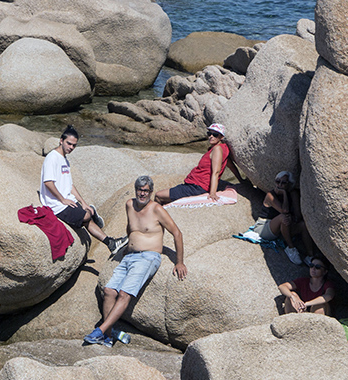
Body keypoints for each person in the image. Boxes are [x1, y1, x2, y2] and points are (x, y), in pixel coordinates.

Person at [84, 176, 187, 347]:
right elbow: (130, 227)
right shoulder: (129, 205)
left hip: (148, 257)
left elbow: (177, 233)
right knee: (109, 291)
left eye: (146, 190)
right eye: (140, 189)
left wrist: (179, 262)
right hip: (129, 256)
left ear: (151, 192)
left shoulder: (156, 209)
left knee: (124, 294)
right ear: (136, 190)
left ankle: (99, 331)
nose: (142, 193)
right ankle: (108, 337)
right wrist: (127, 245)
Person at [40, 126, 125, 253]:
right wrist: (62, 199)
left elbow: (70, 185)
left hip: (67, 201)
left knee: (87, 216)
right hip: (56, 205)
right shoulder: (52, 157)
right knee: (86, 216)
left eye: (74, 145)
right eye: (69, 143)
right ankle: (94, 217)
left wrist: (83, 202)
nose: (71, 147)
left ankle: (111, 244)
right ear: (61, 140)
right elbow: (48, 182)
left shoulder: (64, 160)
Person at [155, 123, 245, 204]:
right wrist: (241, 180)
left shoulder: (217, 149)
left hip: (197, 187)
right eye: (209, 133)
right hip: (195, 184)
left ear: (221, 137)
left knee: (158, 196)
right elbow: (230, 165)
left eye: (215, 134)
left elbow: (216, 172)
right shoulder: (223, 148)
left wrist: (212, 193)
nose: (211, 136)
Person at [251, 170, 315, 265]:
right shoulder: (270, 195)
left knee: (303, 225)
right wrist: (284, 194)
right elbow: (284, 210)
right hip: (264, 227)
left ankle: (310, 256)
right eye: (277, 181)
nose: (279, 185)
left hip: (282, 228)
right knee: (283, 217)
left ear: (289, 184)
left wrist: (293, 217)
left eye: (283, 183)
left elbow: (298, 215)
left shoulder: (293, 194)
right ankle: (291, 248)